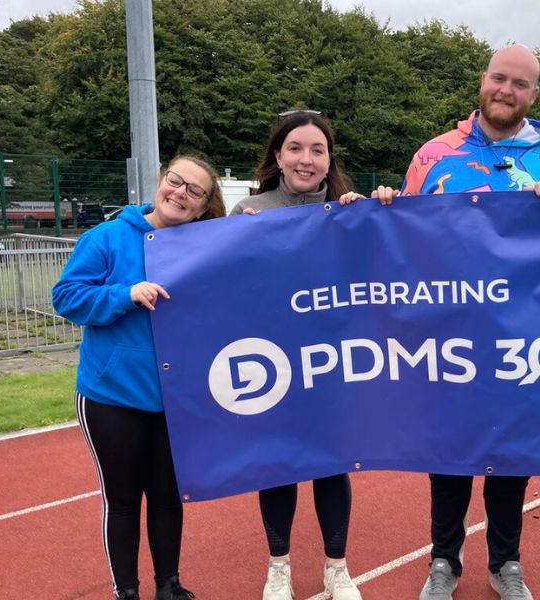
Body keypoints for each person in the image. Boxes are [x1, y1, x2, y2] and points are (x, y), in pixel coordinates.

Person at [345, 45, 540, 600]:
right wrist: (379, 205)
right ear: (483, 81)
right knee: (447, 452)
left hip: (521, 335)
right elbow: (403, 240)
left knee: (512, 455)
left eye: (521, 84)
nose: (507, 90)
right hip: (445, 334)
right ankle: (444, 562)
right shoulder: (433, 155)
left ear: (534, 94)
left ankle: (506, 562)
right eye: (500, 78)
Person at [53, 155, 226, 600]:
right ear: (160, 180)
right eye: (175, 181)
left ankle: (168, 584)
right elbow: (67, 297)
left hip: (176, 398)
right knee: (124, 499)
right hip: (112, 396)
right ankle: (125, 590)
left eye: (195, 191)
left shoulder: (207, 246)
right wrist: (124, 294)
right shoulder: (107, 237)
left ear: (206, 206)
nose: (180, 194)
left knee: (169, 495)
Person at [231, 110, 363, 600]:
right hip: (274, 362)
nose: (306, 159)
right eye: (295, 148)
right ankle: (279, 567)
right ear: (278, 156)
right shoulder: (248, 211)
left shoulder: (351, 211)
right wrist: (236, 243)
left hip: (333, 363)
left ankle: (336, 569)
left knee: (333, 464)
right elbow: (226, 286)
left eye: (317, 150)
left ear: (329, 162)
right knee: (277, 465)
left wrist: (372, 216)